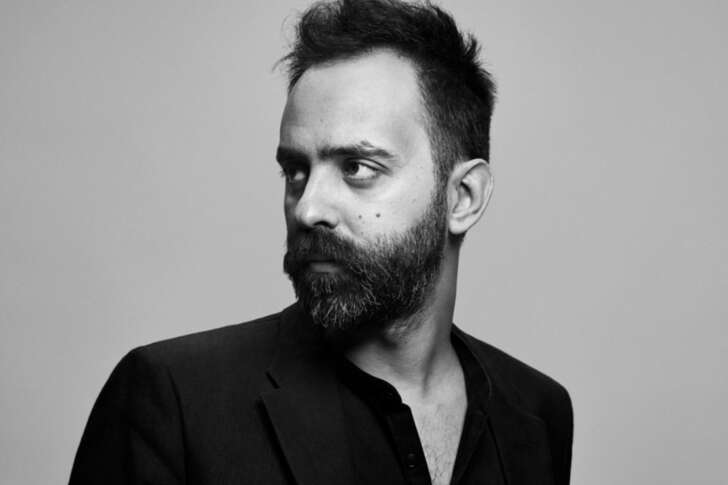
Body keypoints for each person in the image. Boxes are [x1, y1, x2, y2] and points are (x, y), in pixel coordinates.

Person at [69, 1, 573, 484]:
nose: (307, 209)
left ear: (463, 197)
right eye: (295, 170)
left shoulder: (538, 415)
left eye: (357, 167)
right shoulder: (175, 402)